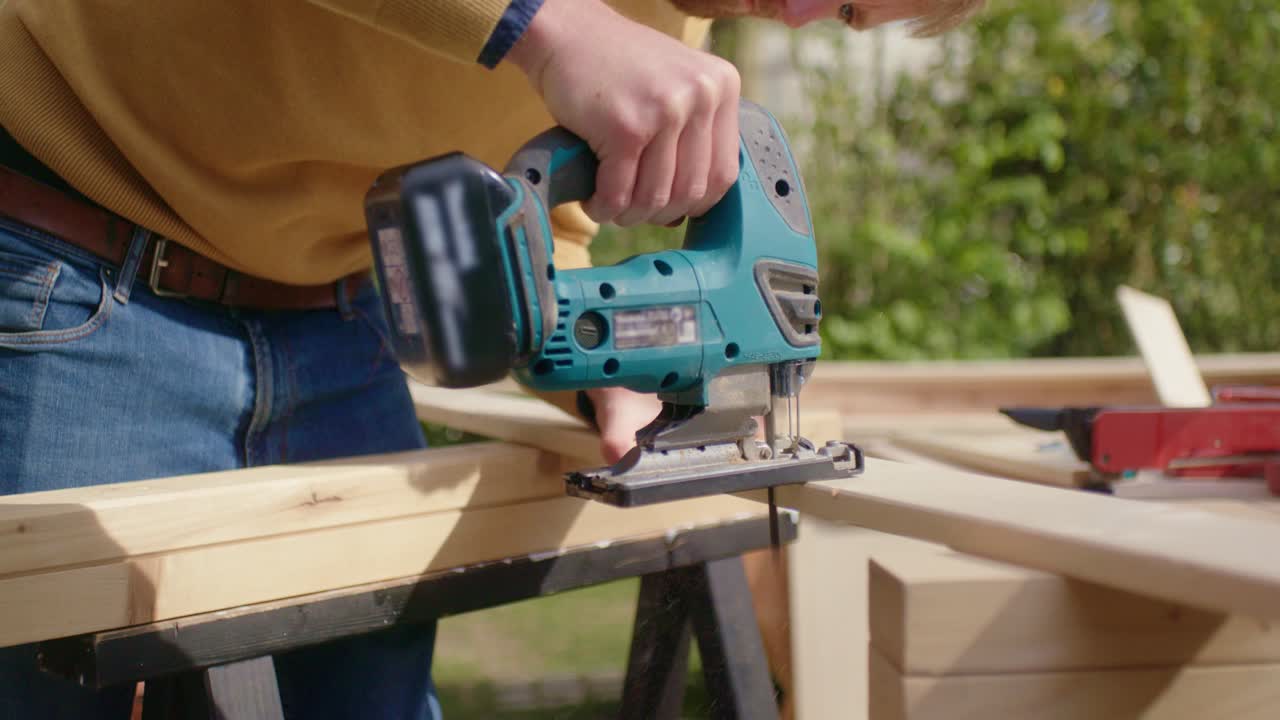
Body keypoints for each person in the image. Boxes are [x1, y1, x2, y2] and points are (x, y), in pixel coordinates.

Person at [0, 0, 983, 717]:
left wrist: (604, 362)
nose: (802, 12)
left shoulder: (683, 23)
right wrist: (548, 25)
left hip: (337, 321)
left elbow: (543, 207)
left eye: (846, 14)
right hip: (75, 266)